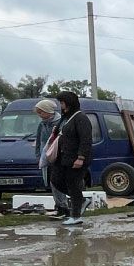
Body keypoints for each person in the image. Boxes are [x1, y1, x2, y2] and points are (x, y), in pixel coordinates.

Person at [53, 91, 93, 226]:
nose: (60, 105)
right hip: (63, 157)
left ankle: (75, 216)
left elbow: (86, 139)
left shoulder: (81, 118)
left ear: (69, 102)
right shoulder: (65, 118)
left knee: (73, 184)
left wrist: (81, 157)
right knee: (56, 180)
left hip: (77, 157)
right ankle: (81, 200)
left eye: (62, 102)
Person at [32, 98, 68, 217]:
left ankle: (63, 206)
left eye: (41, 112)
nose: (40, 115)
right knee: (52, 182)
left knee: (58, 182)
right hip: (46, 157)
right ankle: (59, 205)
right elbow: (39, 141)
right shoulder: (42, 124)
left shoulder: (60, 123)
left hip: (58, 157)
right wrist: (38, 156)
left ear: (48, 111)